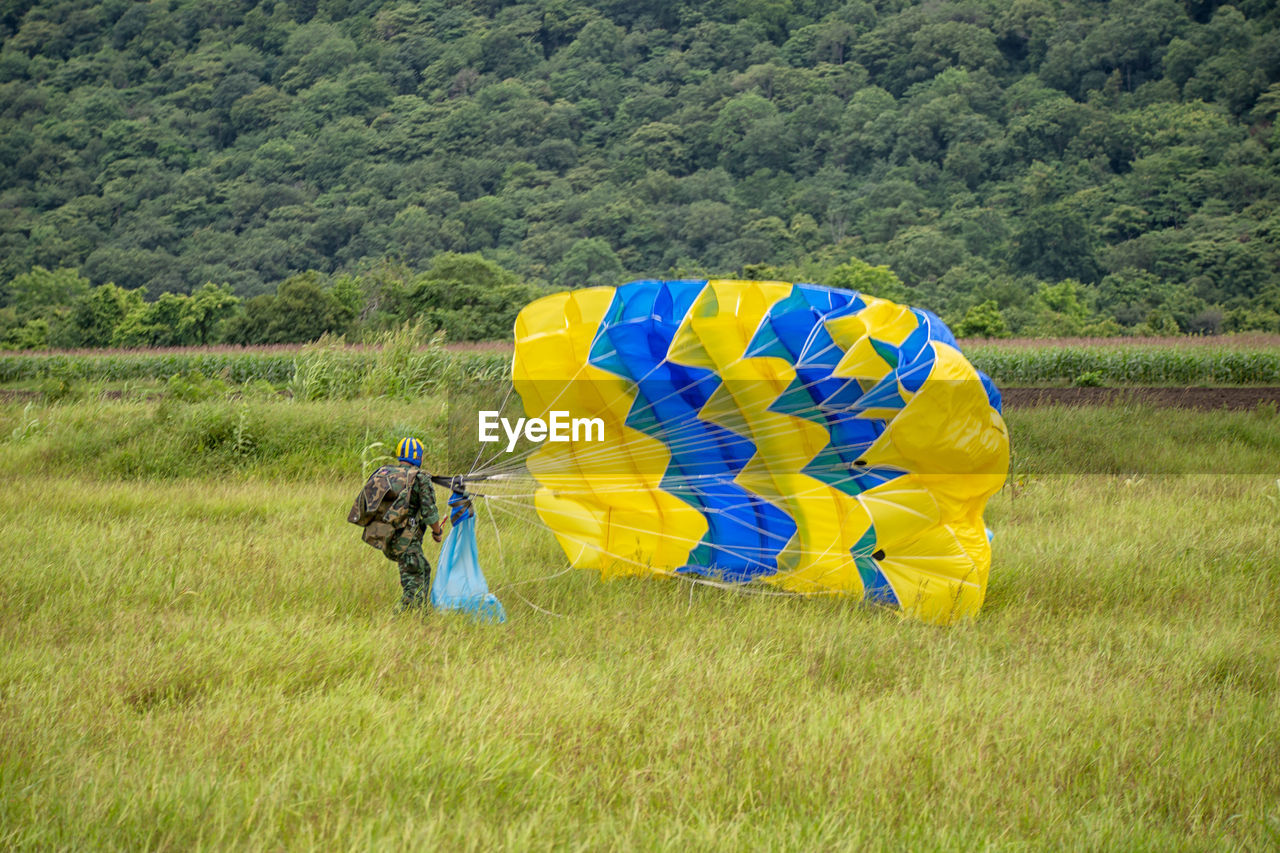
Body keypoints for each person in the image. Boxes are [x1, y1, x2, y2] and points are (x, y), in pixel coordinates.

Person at [365, 437, 443, 611]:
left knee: (424, 569)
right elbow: (430, 512)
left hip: (385, 535)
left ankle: (422, 614)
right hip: (406, 539)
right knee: (414, 582)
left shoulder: (386, 473)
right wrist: (437, 532)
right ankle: (399, 617)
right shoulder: (420, 478)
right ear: (419, 457)